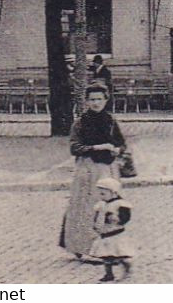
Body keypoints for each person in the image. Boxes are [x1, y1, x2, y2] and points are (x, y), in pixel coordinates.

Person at [59, 84, 127, 260]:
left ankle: (108, 248)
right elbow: (75, 147)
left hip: (108, 169)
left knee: (109, 207)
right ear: (87, 101)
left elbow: (121, 143)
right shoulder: (80, 123)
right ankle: (84, 247)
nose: (96, 103)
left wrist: (117, 150)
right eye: (92, 99)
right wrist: (97, 147)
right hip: (88, 168)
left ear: (106, 100)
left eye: (99, 99)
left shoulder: (111, 121)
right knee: (86, 206)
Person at [89, 176, 135, 282]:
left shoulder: (120, 204)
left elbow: (126, 217)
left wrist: (119, 219)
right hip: (104, 234)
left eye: (103, 194)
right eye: (100, 194)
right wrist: (96, 225)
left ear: (113, 192)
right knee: (106, 255)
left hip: (116, 234)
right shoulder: (101, 204)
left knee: (119, 253)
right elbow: (97, 216)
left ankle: (127, 267)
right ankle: (109, 274)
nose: (101, 196)